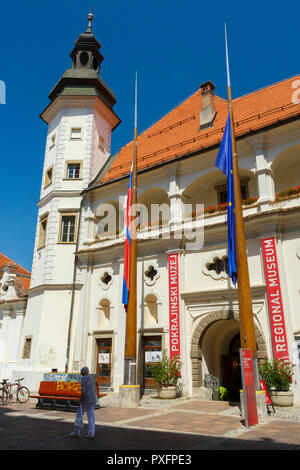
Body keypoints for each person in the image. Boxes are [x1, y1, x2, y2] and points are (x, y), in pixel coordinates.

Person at [70, 367, 98, 439]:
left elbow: (83, 391)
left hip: (85, 399)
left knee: (79, 415)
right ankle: (91, 433)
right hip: (92, 399)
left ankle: (77, 432)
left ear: (82, 373)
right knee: (91, 416)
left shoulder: (84, 378)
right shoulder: (92, 378)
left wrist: (80, 399)